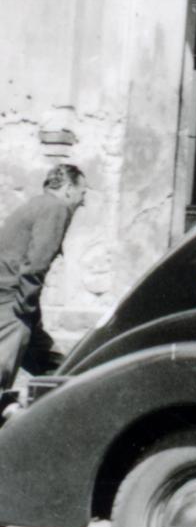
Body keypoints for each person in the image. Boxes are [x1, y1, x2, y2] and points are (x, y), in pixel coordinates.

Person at [0, 164, 87, 389]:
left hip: (17, 299)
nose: (82, 201)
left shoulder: (37, 204)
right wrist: (25, 308)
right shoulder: (56, 208)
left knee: (58, 369)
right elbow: (35, 264)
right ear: (68, 188)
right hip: (13, 303)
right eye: (82, 193)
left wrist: (31, 312)